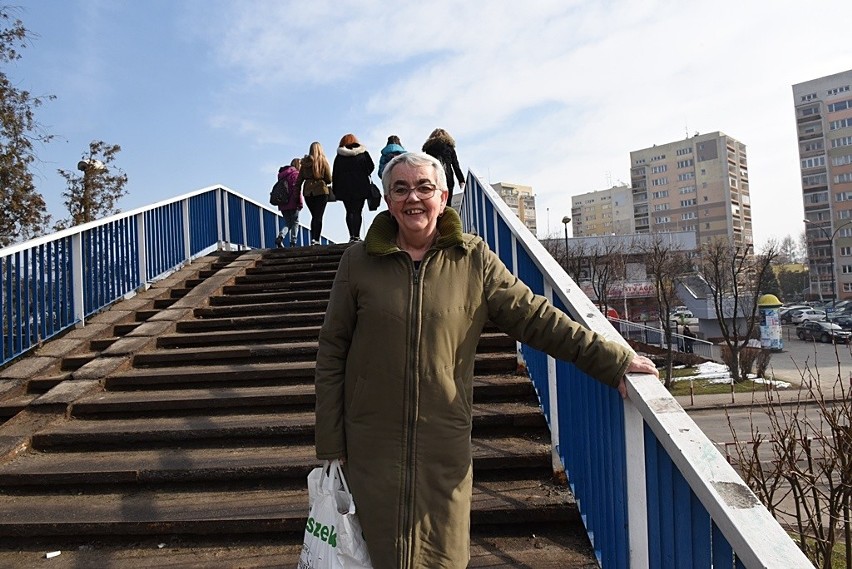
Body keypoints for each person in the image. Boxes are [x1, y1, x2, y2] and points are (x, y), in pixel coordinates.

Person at [314, 151, 659, 568]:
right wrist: (332, 441)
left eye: (424, 187)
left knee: (442, 558)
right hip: (370, 447)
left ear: (444, 197)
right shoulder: (358, 263)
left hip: (443, 445)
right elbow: (332, 350)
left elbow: (535, 317)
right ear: (388, 200)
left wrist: (611, 360)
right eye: (401, 188)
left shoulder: (472, 259)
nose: (413, 198)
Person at [332, 133, 375, 242]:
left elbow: (335, 173)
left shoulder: (340, 156)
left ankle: (351, 235)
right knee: (358, 211)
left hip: (344, 188)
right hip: (361, 186)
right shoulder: (363, 153)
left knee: (349, 211)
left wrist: (335, 189)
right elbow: (371, 167)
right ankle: (357, 236)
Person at [297, 142, 333, 245]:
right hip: (321, 191)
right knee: (319, 216)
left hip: (308, 192)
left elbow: (299, 180)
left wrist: (296, 193)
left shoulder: (304, 164)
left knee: (314, 216)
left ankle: (313, 238)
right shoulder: (323, 161)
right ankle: (316, 239)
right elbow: (329, 179)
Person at [422, 127, 464, 206]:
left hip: (434, 177)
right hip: (447, 177)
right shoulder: (449, 148)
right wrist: (461, 180)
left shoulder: (429, 149)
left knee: (435, 201)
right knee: (447, 202)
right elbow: (456, 165)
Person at [274, 159, 303, 248]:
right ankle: (293, 242)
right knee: (295, 222)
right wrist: (300, 203)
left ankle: (281, 236)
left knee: (288, 222)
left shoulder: (281, 175)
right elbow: (296, 190)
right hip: (293, 203)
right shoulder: (295, 174)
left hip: (282, 203)